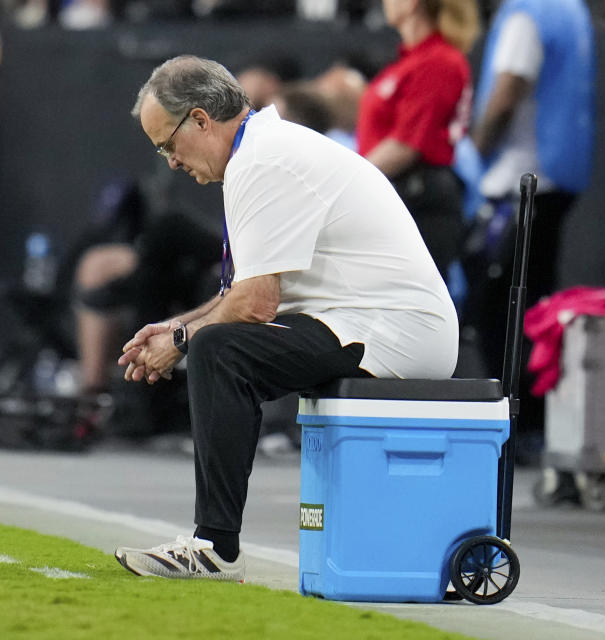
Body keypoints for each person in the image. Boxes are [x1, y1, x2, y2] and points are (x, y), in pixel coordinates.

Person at [113, 55, 458, 581]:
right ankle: (214, 545)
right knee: (214, 343)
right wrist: (176, 327)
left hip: (396, 331)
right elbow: (240, 291)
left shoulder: (262, 161)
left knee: (218, 351)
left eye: (168, 145)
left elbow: (255, 305)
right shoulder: (262, 150)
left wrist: (183, 338)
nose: (170, 162)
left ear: (201, 120)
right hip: (364, 319)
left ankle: (215, 549)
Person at [462, 0, 594, 445]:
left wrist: (473, 152)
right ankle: (531, 422)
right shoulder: (570, 10)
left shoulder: (527, 15)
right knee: (533, 301)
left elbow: (509, 86)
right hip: (558, 173)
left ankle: (514, 421)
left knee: (502, 307)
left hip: (522, 180)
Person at [355, 0, 478, 277]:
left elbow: (405, 146)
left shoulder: (439, 61)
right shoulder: (412, 61)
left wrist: (345, 183)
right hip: (401, 195)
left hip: (418, 203)